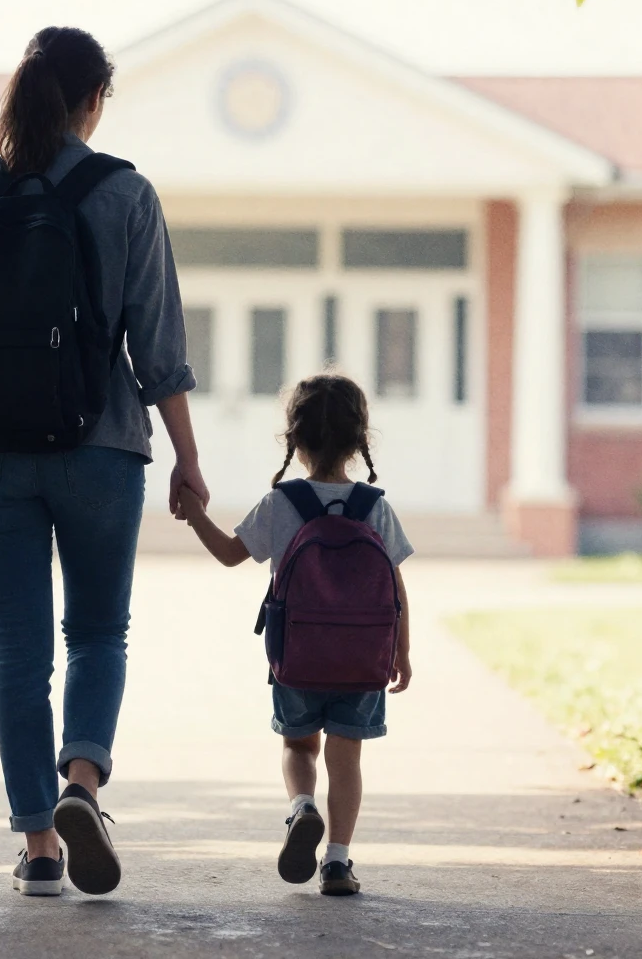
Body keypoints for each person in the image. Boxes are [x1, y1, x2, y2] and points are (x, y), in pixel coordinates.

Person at [0, 26, 208, 897]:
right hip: (100, 448)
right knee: (98, 633)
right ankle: (83, 782)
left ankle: (40, 846)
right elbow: (158, 347)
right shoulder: (125, 193)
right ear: (93, 102)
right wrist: (188, 459)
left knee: (17, 653)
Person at [177, 374, 412, 897]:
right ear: (360, 441)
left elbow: (229, 554)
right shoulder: (374, 507)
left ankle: (302, 807)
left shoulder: (282, 504)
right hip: (362, 661)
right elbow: (395, 587)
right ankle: (337, 862)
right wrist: (402, 653)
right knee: (345, 756)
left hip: (299, 657)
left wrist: (195, 514)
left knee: (299, 746)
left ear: (295, 440)